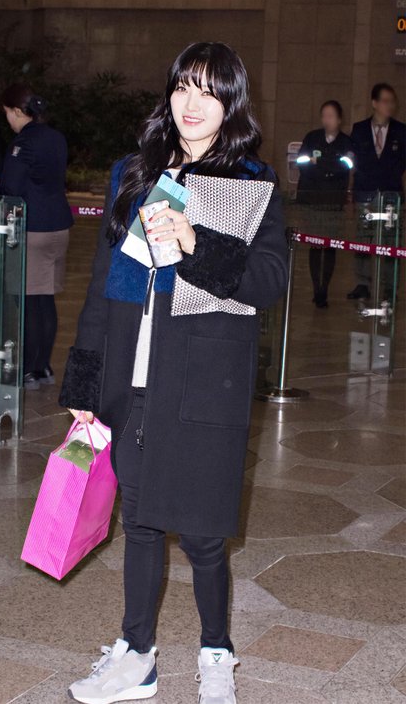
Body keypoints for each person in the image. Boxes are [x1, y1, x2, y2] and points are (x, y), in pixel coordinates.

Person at [59, 42, 288, 704]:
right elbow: (103, 284)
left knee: (205, 534)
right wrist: (85, 385)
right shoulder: (133, 173)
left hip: (204, 379)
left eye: (209, 91)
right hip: (132, 378)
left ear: (231, 104)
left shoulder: (250, 182)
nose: (193, 103)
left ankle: (216, 652)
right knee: (140, 522)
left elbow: (269, 280)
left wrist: (195, 242)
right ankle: (137, 656)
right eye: (184, 87)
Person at [0, 84, 73, 389]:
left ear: (17, 111)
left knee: (26, 302)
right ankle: (43, 368)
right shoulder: (56, 137)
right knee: (45, 300)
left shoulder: (23, 142)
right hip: (59, 227)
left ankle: (27, 370)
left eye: (7, 114)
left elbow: (11, 188)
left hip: (34, 230)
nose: (8, 121)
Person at [347, 83, 406, 300]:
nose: (389, 105)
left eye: (392, 101)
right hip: (365, 191)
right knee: (363, 239)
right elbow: (354, 161)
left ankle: (390, 287)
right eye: (385, 101)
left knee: (391, 241)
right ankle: (363, 283)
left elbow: (403, 162)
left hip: (392, 194)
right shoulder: (359, 129)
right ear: (374, 103)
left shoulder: (401, 131)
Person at [296, 100, 353, 307]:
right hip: (313, 200)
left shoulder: (346, 142)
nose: (326, 120)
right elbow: (302, 162)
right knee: (315, 245)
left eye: (331, 116)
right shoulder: (312, 138)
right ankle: (316, 289)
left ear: (339, 119)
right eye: (324, 115)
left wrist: (319, 162)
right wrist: (329, 165)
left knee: (330, 247)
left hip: (333, 202)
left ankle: (324, 290)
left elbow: (346, 166)